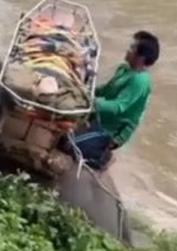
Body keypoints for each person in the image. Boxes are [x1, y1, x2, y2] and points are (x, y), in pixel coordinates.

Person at [64, 30, 160, 170]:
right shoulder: (124, 69)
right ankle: (90, 134)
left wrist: (92, 102)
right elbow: (106, 90)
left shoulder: (140, 81)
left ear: (141, 58)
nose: (128, 50)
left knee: (68, 145)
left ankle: (102, 157)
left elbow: (118, 107)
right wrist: (85, 91)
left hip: (110, 131)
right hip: (99, 117)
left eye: (132, 48)